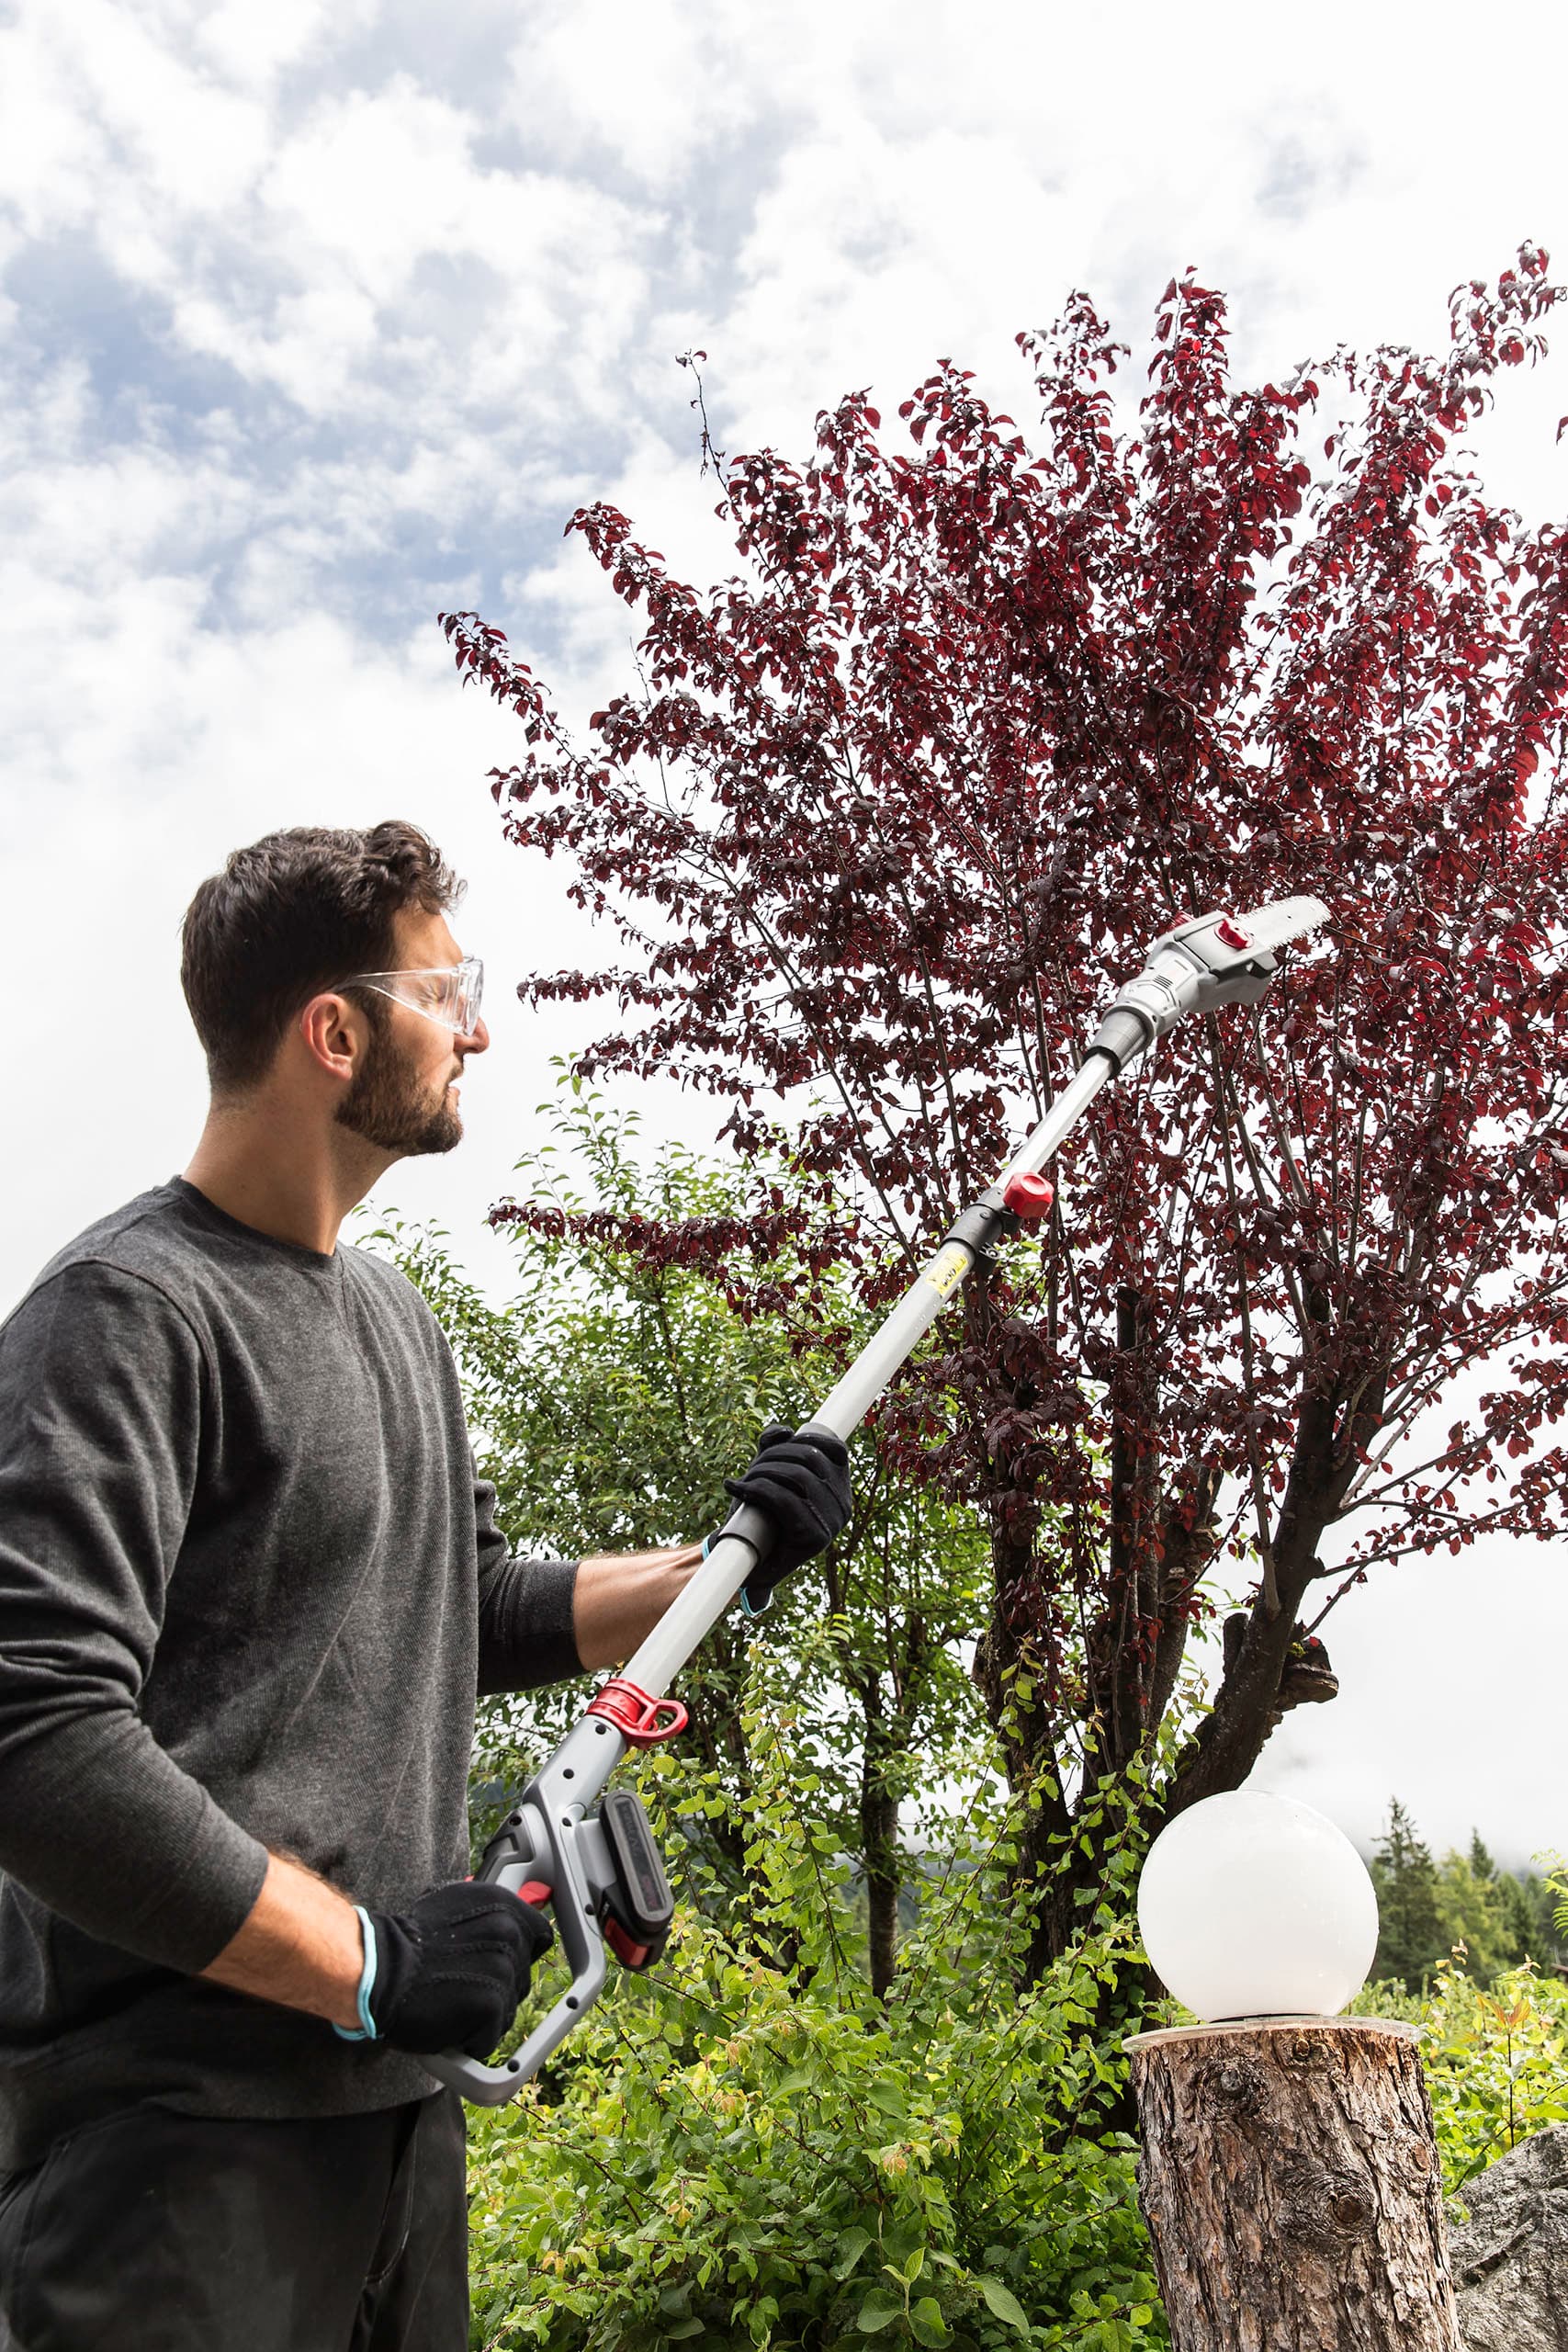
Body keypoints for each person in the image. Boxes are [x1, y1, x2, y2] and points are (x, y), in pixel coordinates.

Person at [0, 822, 852, 2352]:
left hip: (396, 2122)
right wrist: (370, 1963)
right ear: (334, 1033)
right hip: (176, 2147)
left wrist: (724, 1561)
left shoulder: (393, 1316)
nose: (480, 1025)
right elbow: (35, 1737)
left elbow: (458, 1612)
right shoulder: (123, 1314)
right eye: (447, 988)